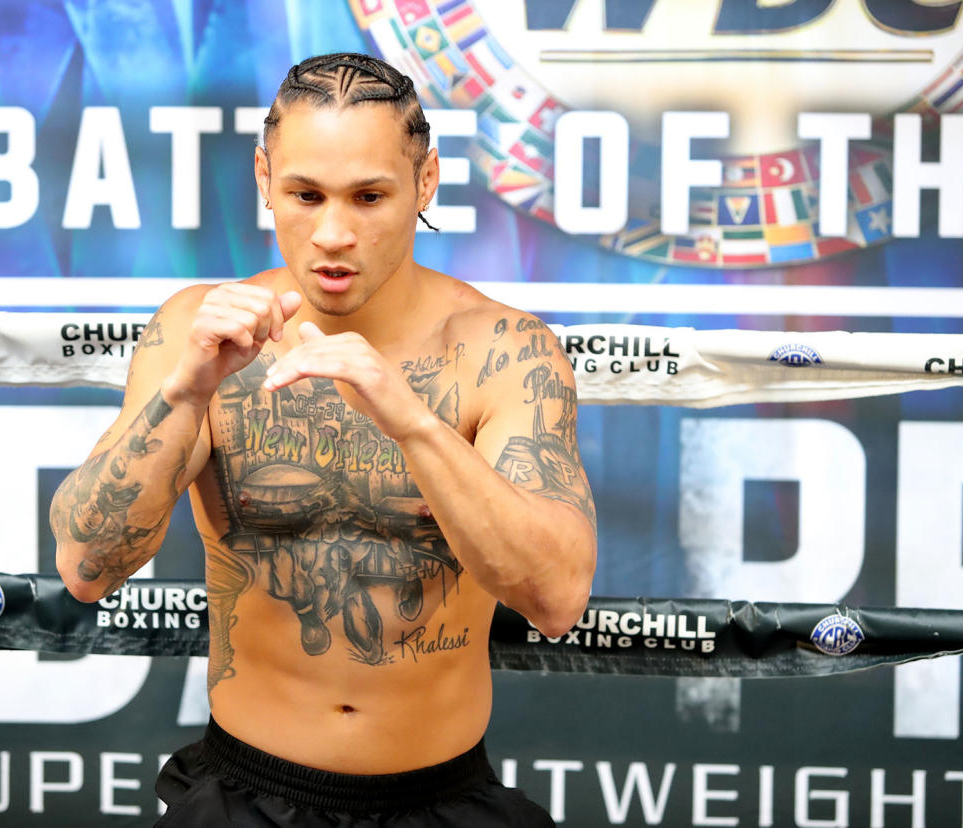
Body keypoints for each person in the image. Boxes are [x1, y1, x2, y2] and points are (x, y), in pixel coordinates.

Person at [50, 52, 596, 827]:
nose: (334, 234)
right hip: (244, 794)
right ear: (265, 178)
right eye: (306, 194)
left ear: (427, 181)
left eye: (369, 196)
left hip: (439, 799)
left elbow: (555, 598)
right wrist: (186, 389)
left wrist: (410, 420)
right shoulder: (196, 328)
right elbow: (85, 567)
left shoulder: (499, 350)